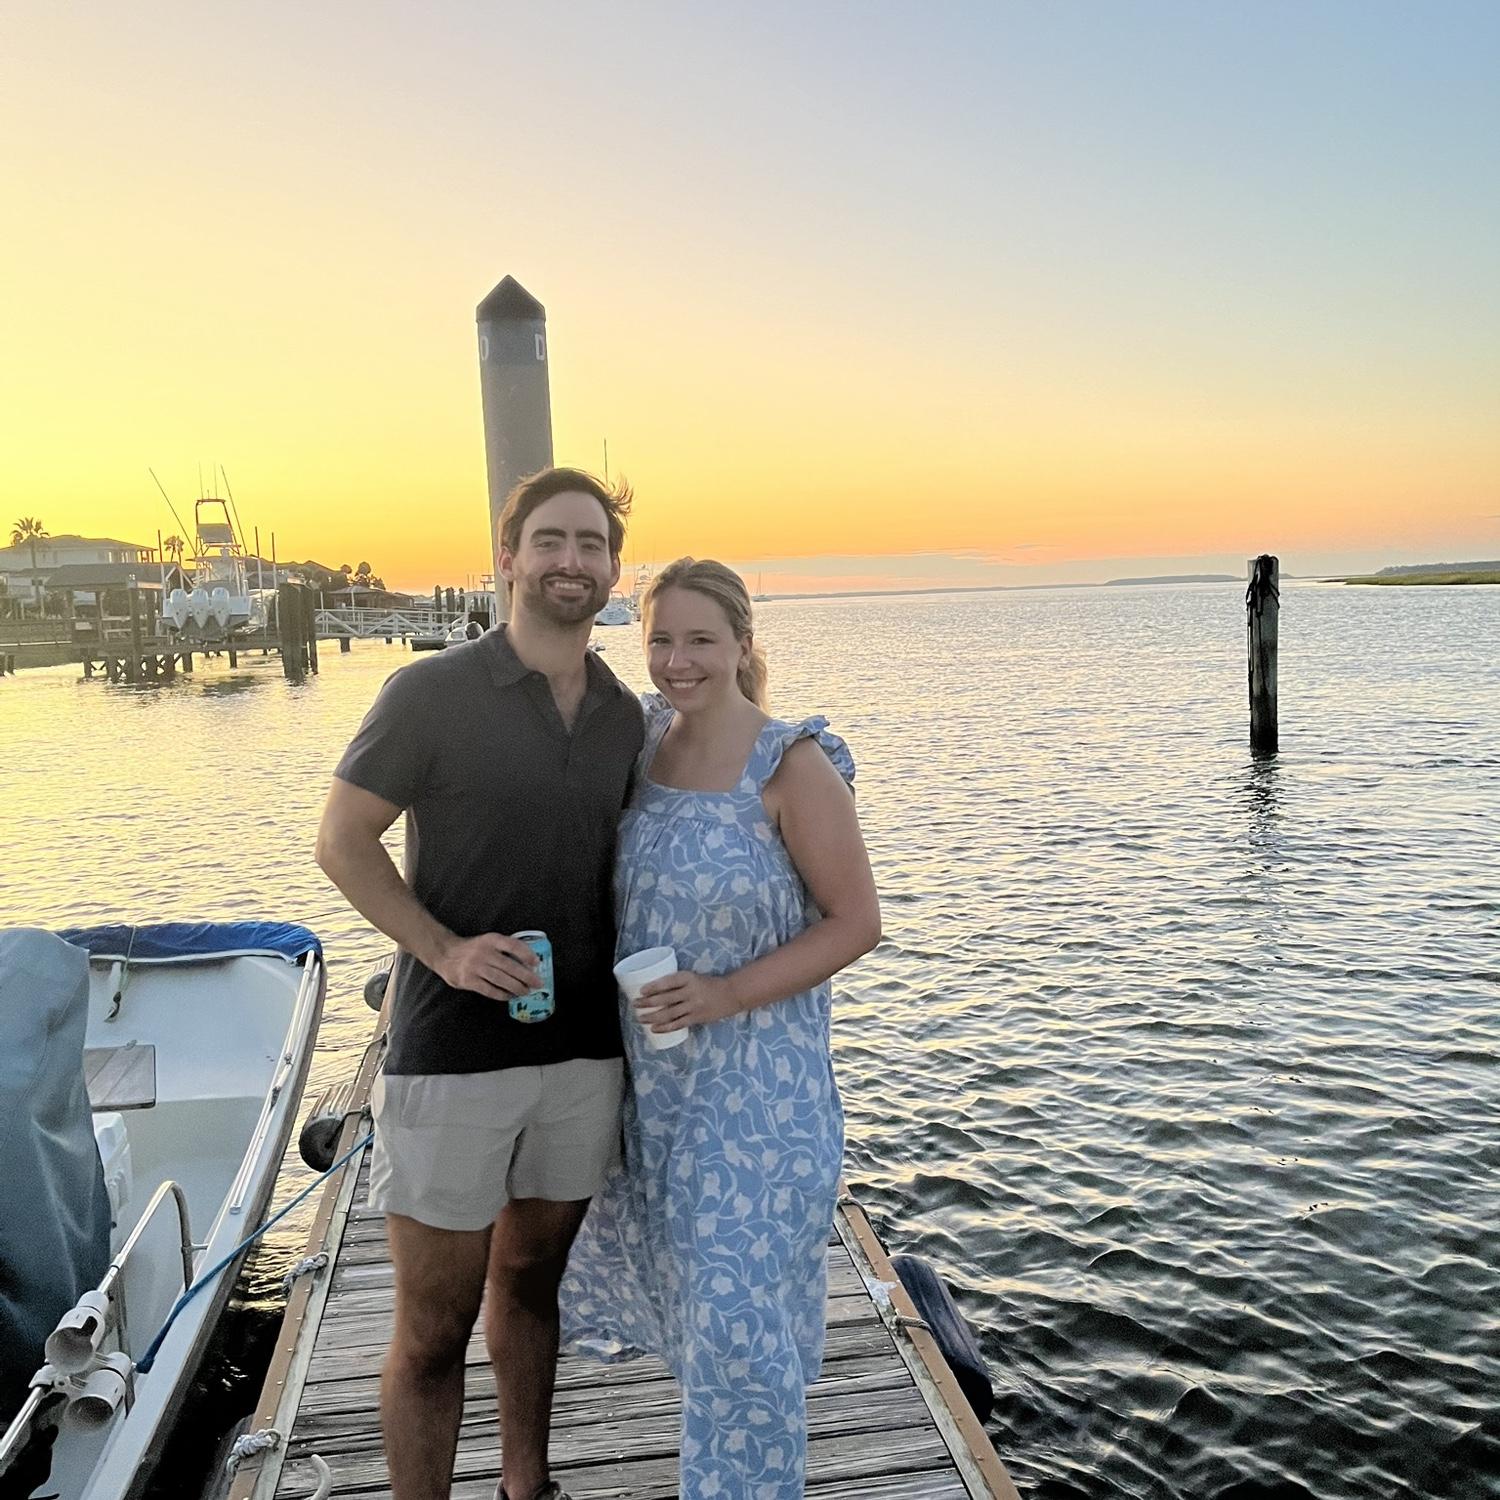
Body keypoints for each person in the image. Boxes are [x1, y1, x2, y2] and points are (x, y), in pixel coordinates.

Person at [315, 468, 645, 1500]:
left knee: (533, 1286)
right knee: (432, 1327)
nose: (571, 561)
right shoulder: (430, 693)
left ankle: (525, 1486)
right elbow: (343, 842)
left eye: (591, 544)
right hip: (451, 1059)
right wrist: (445, 950)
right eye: (551, 540)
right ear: (508, 557)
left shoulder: (625, 716)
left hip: (583, 1054)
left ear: (613, 569)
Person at [562, 558, 881, 1499]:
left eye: (700, 639)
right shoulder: (643, 745)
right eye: (660, 639)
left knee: (743, 1338)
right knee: (708, 1331)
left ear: (744, 644)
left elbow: (857, 922)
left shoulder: (790, 764)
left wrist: (727, 993)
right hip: (660, 1099)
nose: (677, 660)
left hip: (760, 1101)